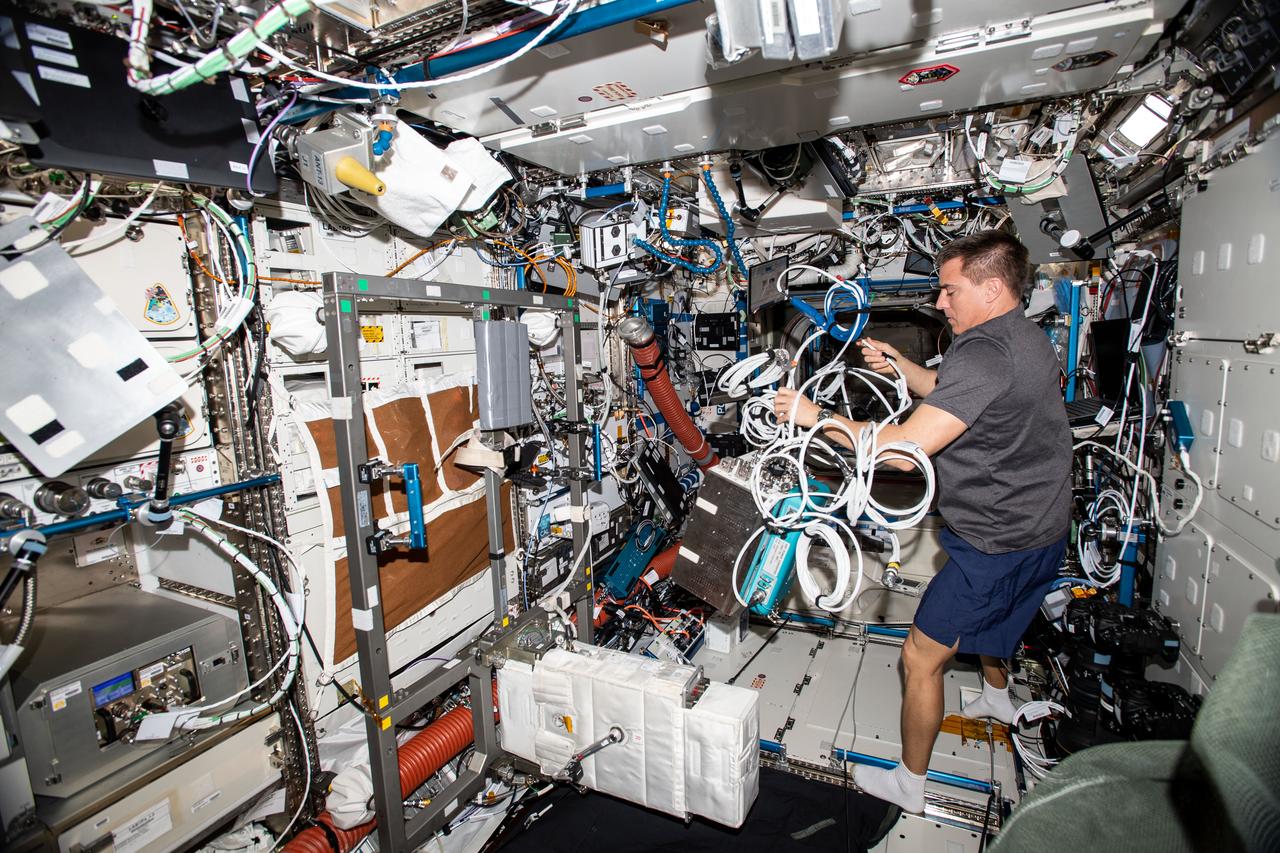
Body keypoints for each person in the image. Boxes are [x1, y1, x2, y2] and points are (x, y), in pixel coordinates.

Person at [773, 230, 1071, 814]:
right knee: (1002, 617)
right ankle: (995, 696)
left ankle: (909, 785)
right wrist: (901, 365)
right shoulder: (1020, 336)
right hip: (1041, 526)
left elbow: (902, 449)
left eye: (949, 290)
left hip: (997, 542)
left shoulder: (988, 352)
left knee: (920, 656)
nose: (939, 302)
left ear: (990, 288)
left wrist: (816, 416)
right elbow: (958, 396)